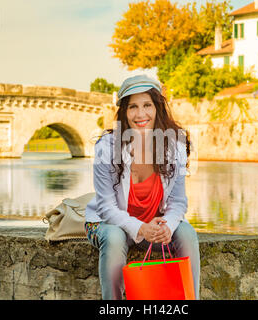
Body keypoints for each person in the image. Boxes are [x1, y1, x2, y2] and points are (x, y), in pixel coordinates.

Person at [84, 74, 200, 300]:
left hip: (150, 225)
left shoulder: (174, 146)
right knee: (115, 236)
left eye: (147, 105)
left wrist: (168, 225)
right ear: (124, 113)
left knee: (186, 232)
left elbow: (178, 202)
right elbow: (107, 208)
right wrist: (141, 228)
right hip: (105, 224)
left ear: (157, 109)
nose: (140, 114)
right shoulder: (106, 148)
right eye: (133, 107)